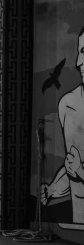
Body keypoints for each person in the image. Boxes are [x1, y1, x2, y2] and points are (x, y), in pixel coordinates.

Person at [41, 25, 84, 224]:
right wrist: (52, 190)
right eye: (80, 52)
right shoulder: (69, 105)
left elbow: (78, 169)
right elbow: (71, 166)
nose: (79, 63)